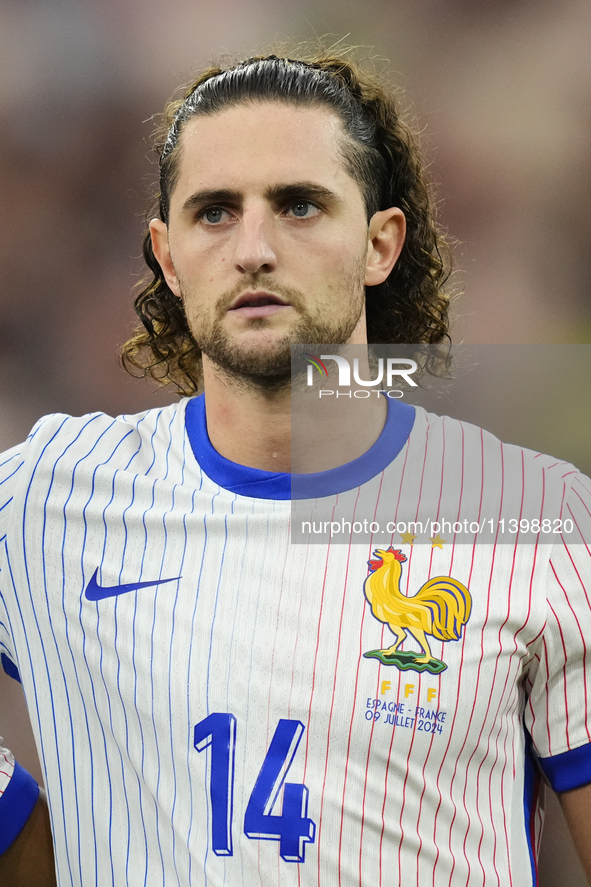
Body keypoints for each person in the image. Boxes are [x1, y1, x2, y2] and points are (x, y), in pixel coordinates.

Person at [0, 51, 590, 886]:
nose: (253, 249)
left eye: (299, 205)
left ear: (380, 243)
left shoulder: (539, 516)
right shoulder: (47, 495)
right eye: (213, 212)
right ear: (166, 258)